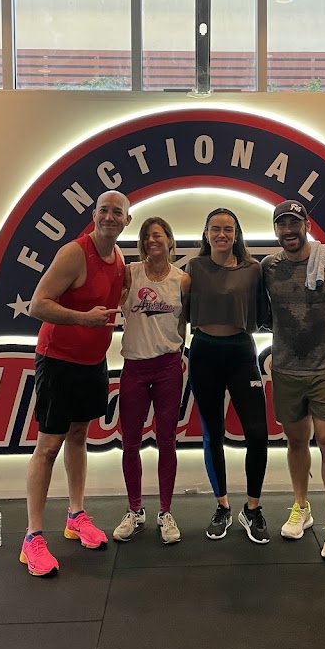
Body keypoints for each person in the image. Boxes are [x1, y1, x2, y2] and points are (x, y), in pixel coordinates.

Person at [20, 190, 131, 577]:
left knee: (80, 436)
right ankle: (32, 537)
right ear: (93, 214)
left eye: (117, 212)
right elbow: (37, 304)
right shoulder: (74, 253)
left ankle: (76, 515)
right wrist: (84, 318)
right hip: (58, 361)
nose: (109, 217)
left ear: (127, 220)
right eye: (103, 210)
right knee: (49, 446)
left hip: (92, 362)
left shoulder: (119, 259)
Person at [262, 200, 325, 560]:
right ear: (276, 229)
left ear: (306, 224)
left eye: (294, 223)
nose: (289, 230)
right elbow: (259, 312)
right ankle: (301, 506)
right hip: (286, 369)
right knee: (295, 442)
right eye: (282, 224)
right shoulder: (268, 267)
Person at [186, 207, 270, 544]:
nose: (222, 234)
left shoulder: (253, 269)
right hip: (204, 351)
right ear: (206, 234)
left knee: (257, 432)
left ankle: (252, 509)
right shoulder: (194, 268)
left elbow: (266, 313)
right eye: (216, 229)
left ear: (237, 234)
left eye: (228, 229)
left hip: (240, 351)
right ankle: (222, 506)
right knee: (213, 433)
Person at [113, 217, 189, 545]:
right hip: (134, 367)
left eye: (158, 236)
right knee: (130, 442)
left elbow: (184, 323)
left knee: (166, 441)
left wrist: (173, 350)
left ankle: (165, 512)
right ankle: (134, 510)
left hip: (168, 368)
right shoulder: (130, 274)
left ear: (170, 241)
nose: (152, 240)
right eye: (146, 236)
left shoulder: (182, 280)